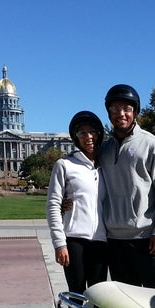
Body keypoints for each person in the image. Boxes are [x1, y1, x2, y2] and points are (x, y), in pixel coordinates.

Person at [99, 84, 155, 289]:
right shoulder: (103, 149)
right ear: (109, 112)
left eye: (126, 108)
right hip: (114, 240)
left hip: (147, 237)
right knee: (126, 305)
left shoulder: (152, 145)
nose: (121, 114)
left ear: (135, 112)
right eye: (115, 109)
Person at [46, 111, 108, 295]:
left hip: (101, 241)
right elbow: (53, 205)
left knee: (100, 299)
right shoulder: (64, 165)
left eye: (92, 132)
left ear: (99, 134)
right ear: (75, 137)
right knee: (77, 296)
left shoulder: (107, 165)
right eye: (82, 133)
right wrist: (59, 244)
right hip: (74, 241)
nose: (88, 137)